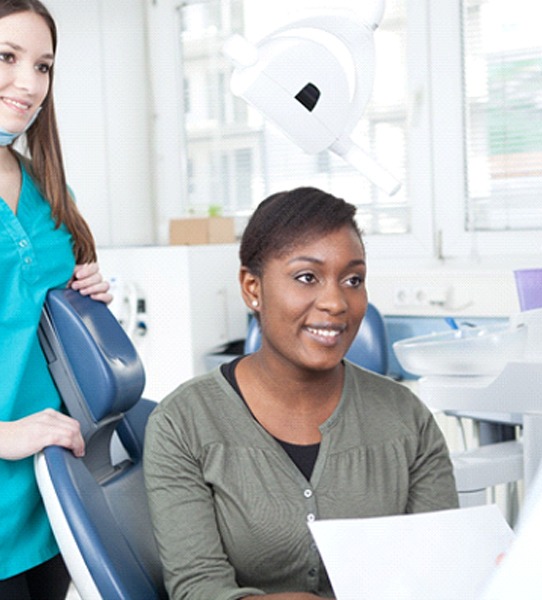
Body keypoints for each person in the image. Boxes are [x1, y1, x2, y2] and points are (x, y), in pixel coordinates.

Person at [144, 187, 458, 600]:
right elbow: (199, 589)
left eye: (353, 280)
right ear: (252, 287)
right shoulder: (183, 424)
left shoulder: (408, 420)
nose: (335, 302)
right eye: (307, 277)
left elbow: (441, 571)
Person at [0, 1, 112, 598]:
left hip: (55, 489)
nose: (29, 83)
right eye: (6, 57)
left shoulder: (49, 188)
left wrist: (87, 297)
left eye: (43, 66)